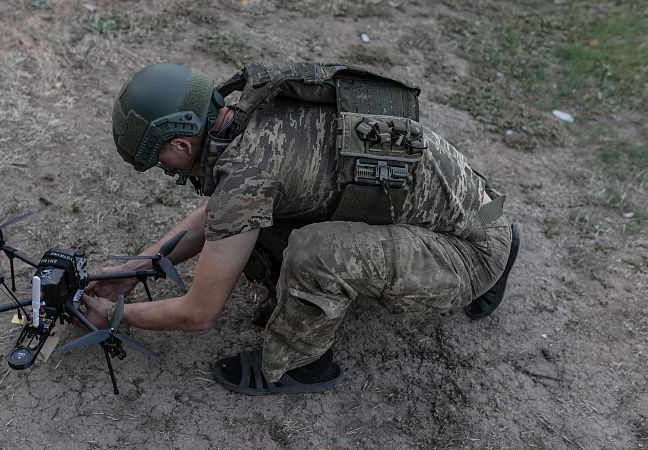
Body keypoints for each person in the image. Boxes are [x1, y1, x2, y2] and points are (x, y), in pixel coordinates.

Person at [82, 62, 520, 395]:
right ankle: (504, 238)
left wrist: (117, 317)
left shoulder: (246, 174)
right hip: (485, 205)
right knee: (271, 227)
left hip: (469, 247)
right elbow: (220, 216)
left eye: (159, 159)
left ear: (180, 144)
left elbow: (199, 313)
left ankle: (299, 364)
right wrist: (135, 271)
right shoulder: (255, 108)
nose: (163, 168)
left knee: (313, 252)